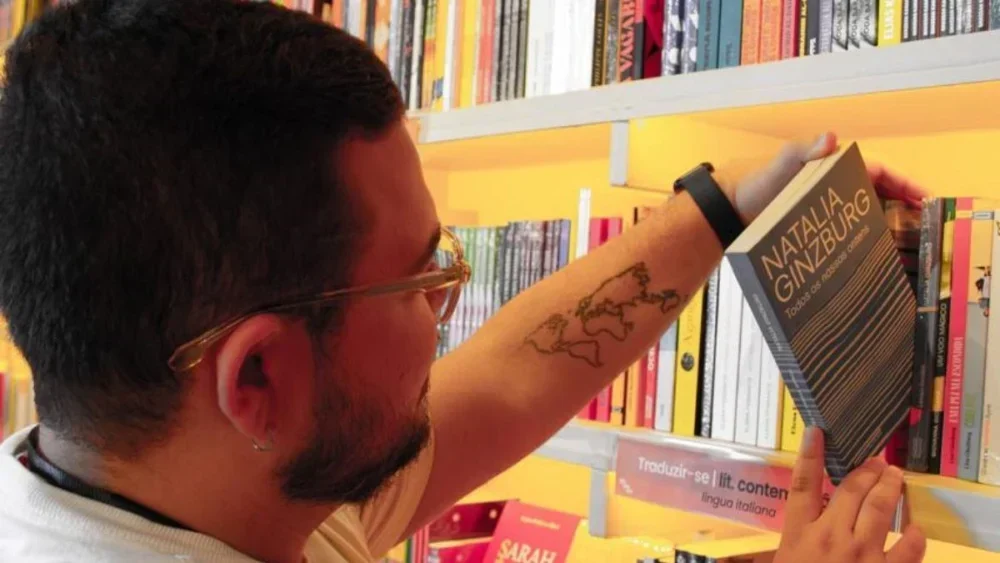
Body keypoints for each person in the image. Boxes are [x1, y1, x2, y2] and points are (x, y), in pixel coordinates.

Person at [0, 1, 929, 562]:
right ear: (258, 379)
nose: (449, 302)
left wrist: (726, 207)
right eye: (419, 279)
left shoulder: (207, 482)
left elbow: (511, 376)